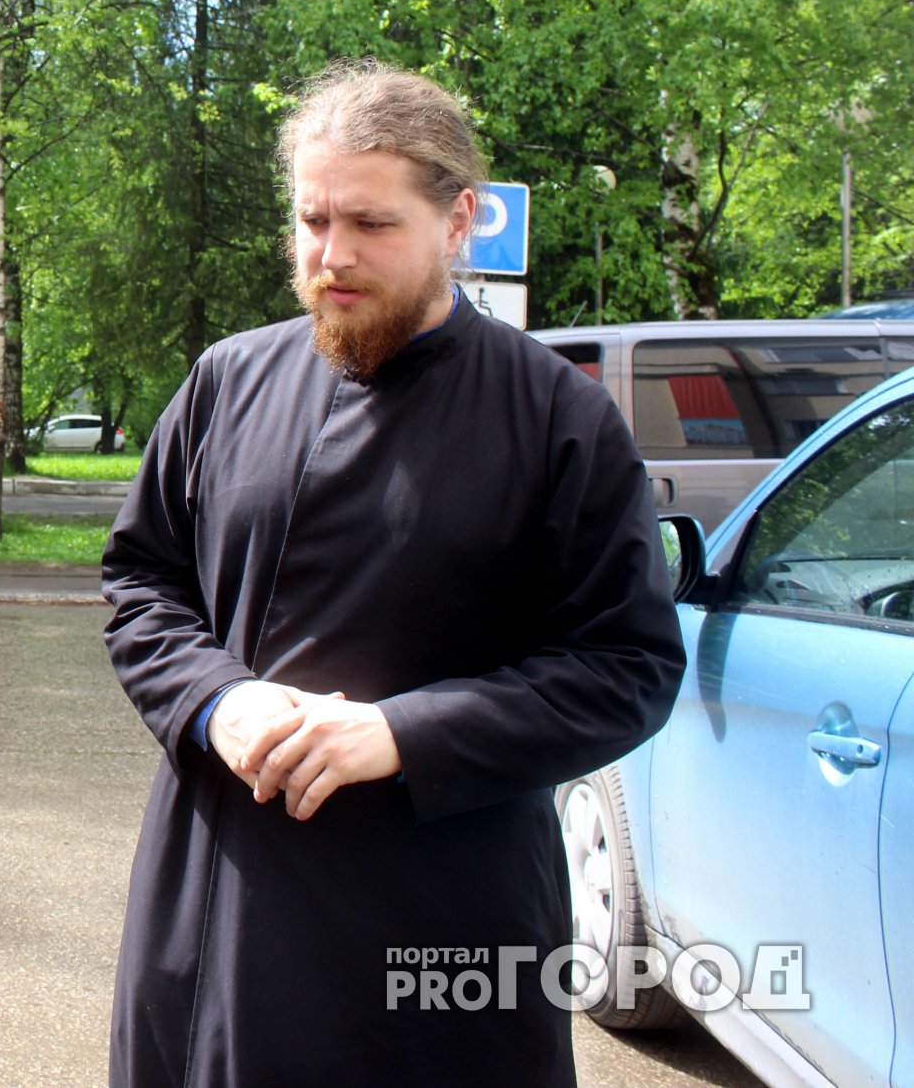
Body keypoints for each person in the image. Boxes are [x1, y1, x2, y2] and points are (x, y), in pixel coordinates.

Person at [101, 63, 685, 1088]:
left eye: (369, 224)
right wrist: (212, 698)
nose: (330, 256)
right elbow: (142, 582)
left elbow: (623, 664)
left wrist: (400, 732)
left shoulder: (556, 416)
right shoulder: (225, 381)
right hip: (219, 894)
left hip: (441, 911)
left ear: (458, 220)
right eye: (310, 220)